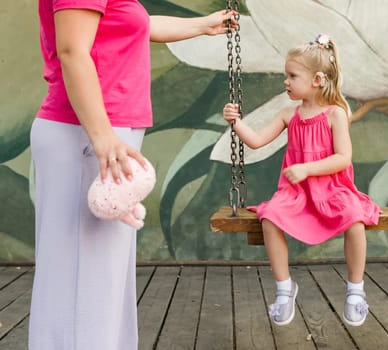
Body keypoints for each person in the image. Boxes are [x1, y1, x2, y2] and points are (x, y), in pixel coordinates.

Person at [30, 1, 237, 349]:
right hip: (88, 135)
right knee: (85, 281)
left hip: (102, 135)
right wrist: (102, 137)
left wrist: (203, 25)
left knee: (102, 278)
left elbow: (136, 25)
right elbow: (72, 50)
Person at [223, 34, 381, 327]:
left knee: (354, 220)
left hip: (333, 189)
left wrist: (308, 169)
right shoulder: (288, 115)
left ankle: (355, 290)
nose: (286, 81)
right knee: (270, 217)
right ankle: (284, 289)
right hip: (297, 193)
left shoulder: (336, 114)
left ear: (318, 80)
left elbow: (343, 158)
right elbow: (257, 141)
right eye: (287, 75)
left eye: (293, 76)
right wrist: (237, 123)